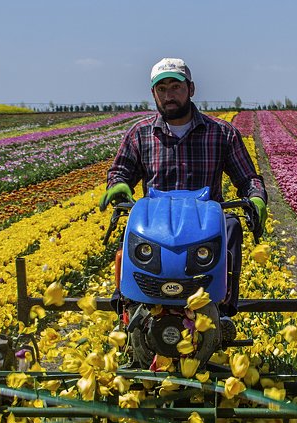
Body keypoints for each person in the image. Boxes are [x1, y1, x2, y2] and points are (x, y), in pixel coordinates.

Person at [98, 57, 268, 320]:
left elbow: (248, 178)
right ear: (153, 93)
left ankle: (223, 308)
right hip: (156, 223)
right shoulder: (140, 134)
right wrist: (118, 185)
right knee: (132, 227)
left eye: (175, 87)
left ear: (191, 89)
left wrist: (256, 198)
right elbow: (121, 172)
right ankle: (127, 304)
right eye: (162, 89)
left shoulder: (221, 133)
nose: (169, 95)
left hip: (205, 223)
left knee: (231, 224)